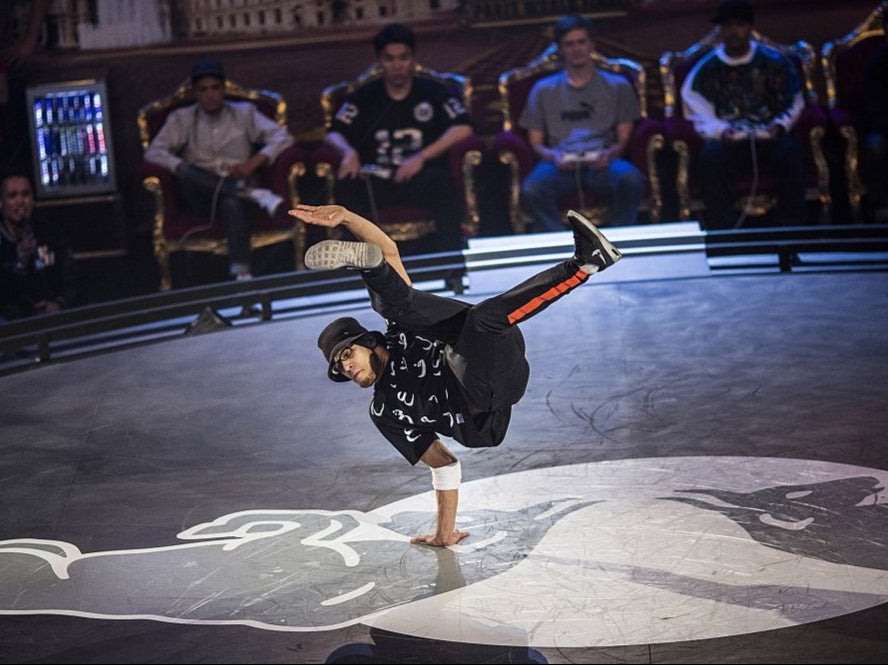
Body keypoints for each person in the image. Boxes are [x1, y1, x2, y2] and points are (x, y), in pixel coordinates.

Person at [289, 203, 623, 547]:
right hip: (485, 410)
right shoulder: (384, 412)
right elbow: (443, 464)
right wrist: (443, 532)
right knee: (455, 317)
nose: (345, 366)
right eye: (338, 367)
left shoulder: (400, 332)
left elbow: (389, 250)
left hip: (491, 355)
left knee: (408, 309)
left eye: (347, 354)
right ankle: (584, 265)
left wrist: (345, 217)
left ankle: (585, 263)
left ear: (369, 343)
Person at [324, 22, 473, 254]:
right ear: (379, 61)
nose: (397, 65)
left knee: (442, 182)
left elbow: (463, 128)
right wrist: (348, 152)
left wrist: (422, 157)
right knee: (347, 185)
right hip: (377, 178)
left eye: (403, 58)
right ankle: (357, 269)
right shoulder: (364, 96)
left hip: (419, 177)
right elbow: (333, 133)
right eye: (389, 59)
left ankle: (450, 265)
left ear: (412, 58)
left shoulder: (434, 92)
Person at [144, 59, 295, 281]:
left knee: (231, 202)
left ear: (223, 89)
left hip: (238, 183)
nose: (210, 95)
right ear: (195, 93)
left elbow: (283, 138)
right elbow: (153, 152)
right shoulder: (182, 118)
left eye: (215, 88)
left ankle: (242, 274)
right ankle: (249, 193)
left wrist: (253, 162)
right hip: (199, 193)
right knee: (187, 173)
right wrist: (180, 165)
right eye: (203, 90)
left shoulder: (244, 113)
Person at [680, 0, 807, 229]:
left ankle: (793, 231)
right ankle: (726, 233)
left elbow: (794, 99)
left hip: (768, 136)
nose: (733, 32)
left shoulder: (774, 62)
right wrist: (721, 131)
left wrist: (779, 126)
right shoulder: (707, 69)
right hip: (730, 140)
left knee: (791, 152)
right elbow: (695, 107)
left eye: (739, 25)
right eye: (727, 26)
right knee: (711, 156)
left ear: (749, 27)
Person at [517, 13, 646, 232]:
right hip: (559, 162)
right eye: (569, 44)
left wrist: (611, 153)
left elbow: (624, 137)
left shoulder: (618, 85)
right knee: (532, 190)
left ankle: (618, 237)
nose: (576, 49)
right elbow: (536, 142)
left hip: (603, 161)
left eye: (581, 42)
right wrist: (553, 156)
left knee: (632, 179)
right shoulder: (543, 89)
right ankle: (559, 243)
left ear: (591, 44)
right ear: (560, 49)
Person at [0, 172, 75, 321]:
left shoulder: (49, 232)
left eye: (25, 194)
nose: (20, 201)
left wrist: (59, 303)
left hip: (52, 316)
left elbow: (70, 276)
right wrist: (20, 264)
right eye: (12, 196)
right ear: (2, 203)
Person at [860, 6, 888, 222]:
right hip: (883, 126)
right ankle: (881, 207)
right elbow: (870, 106)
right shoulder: (878, 62)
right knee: (876, 145)